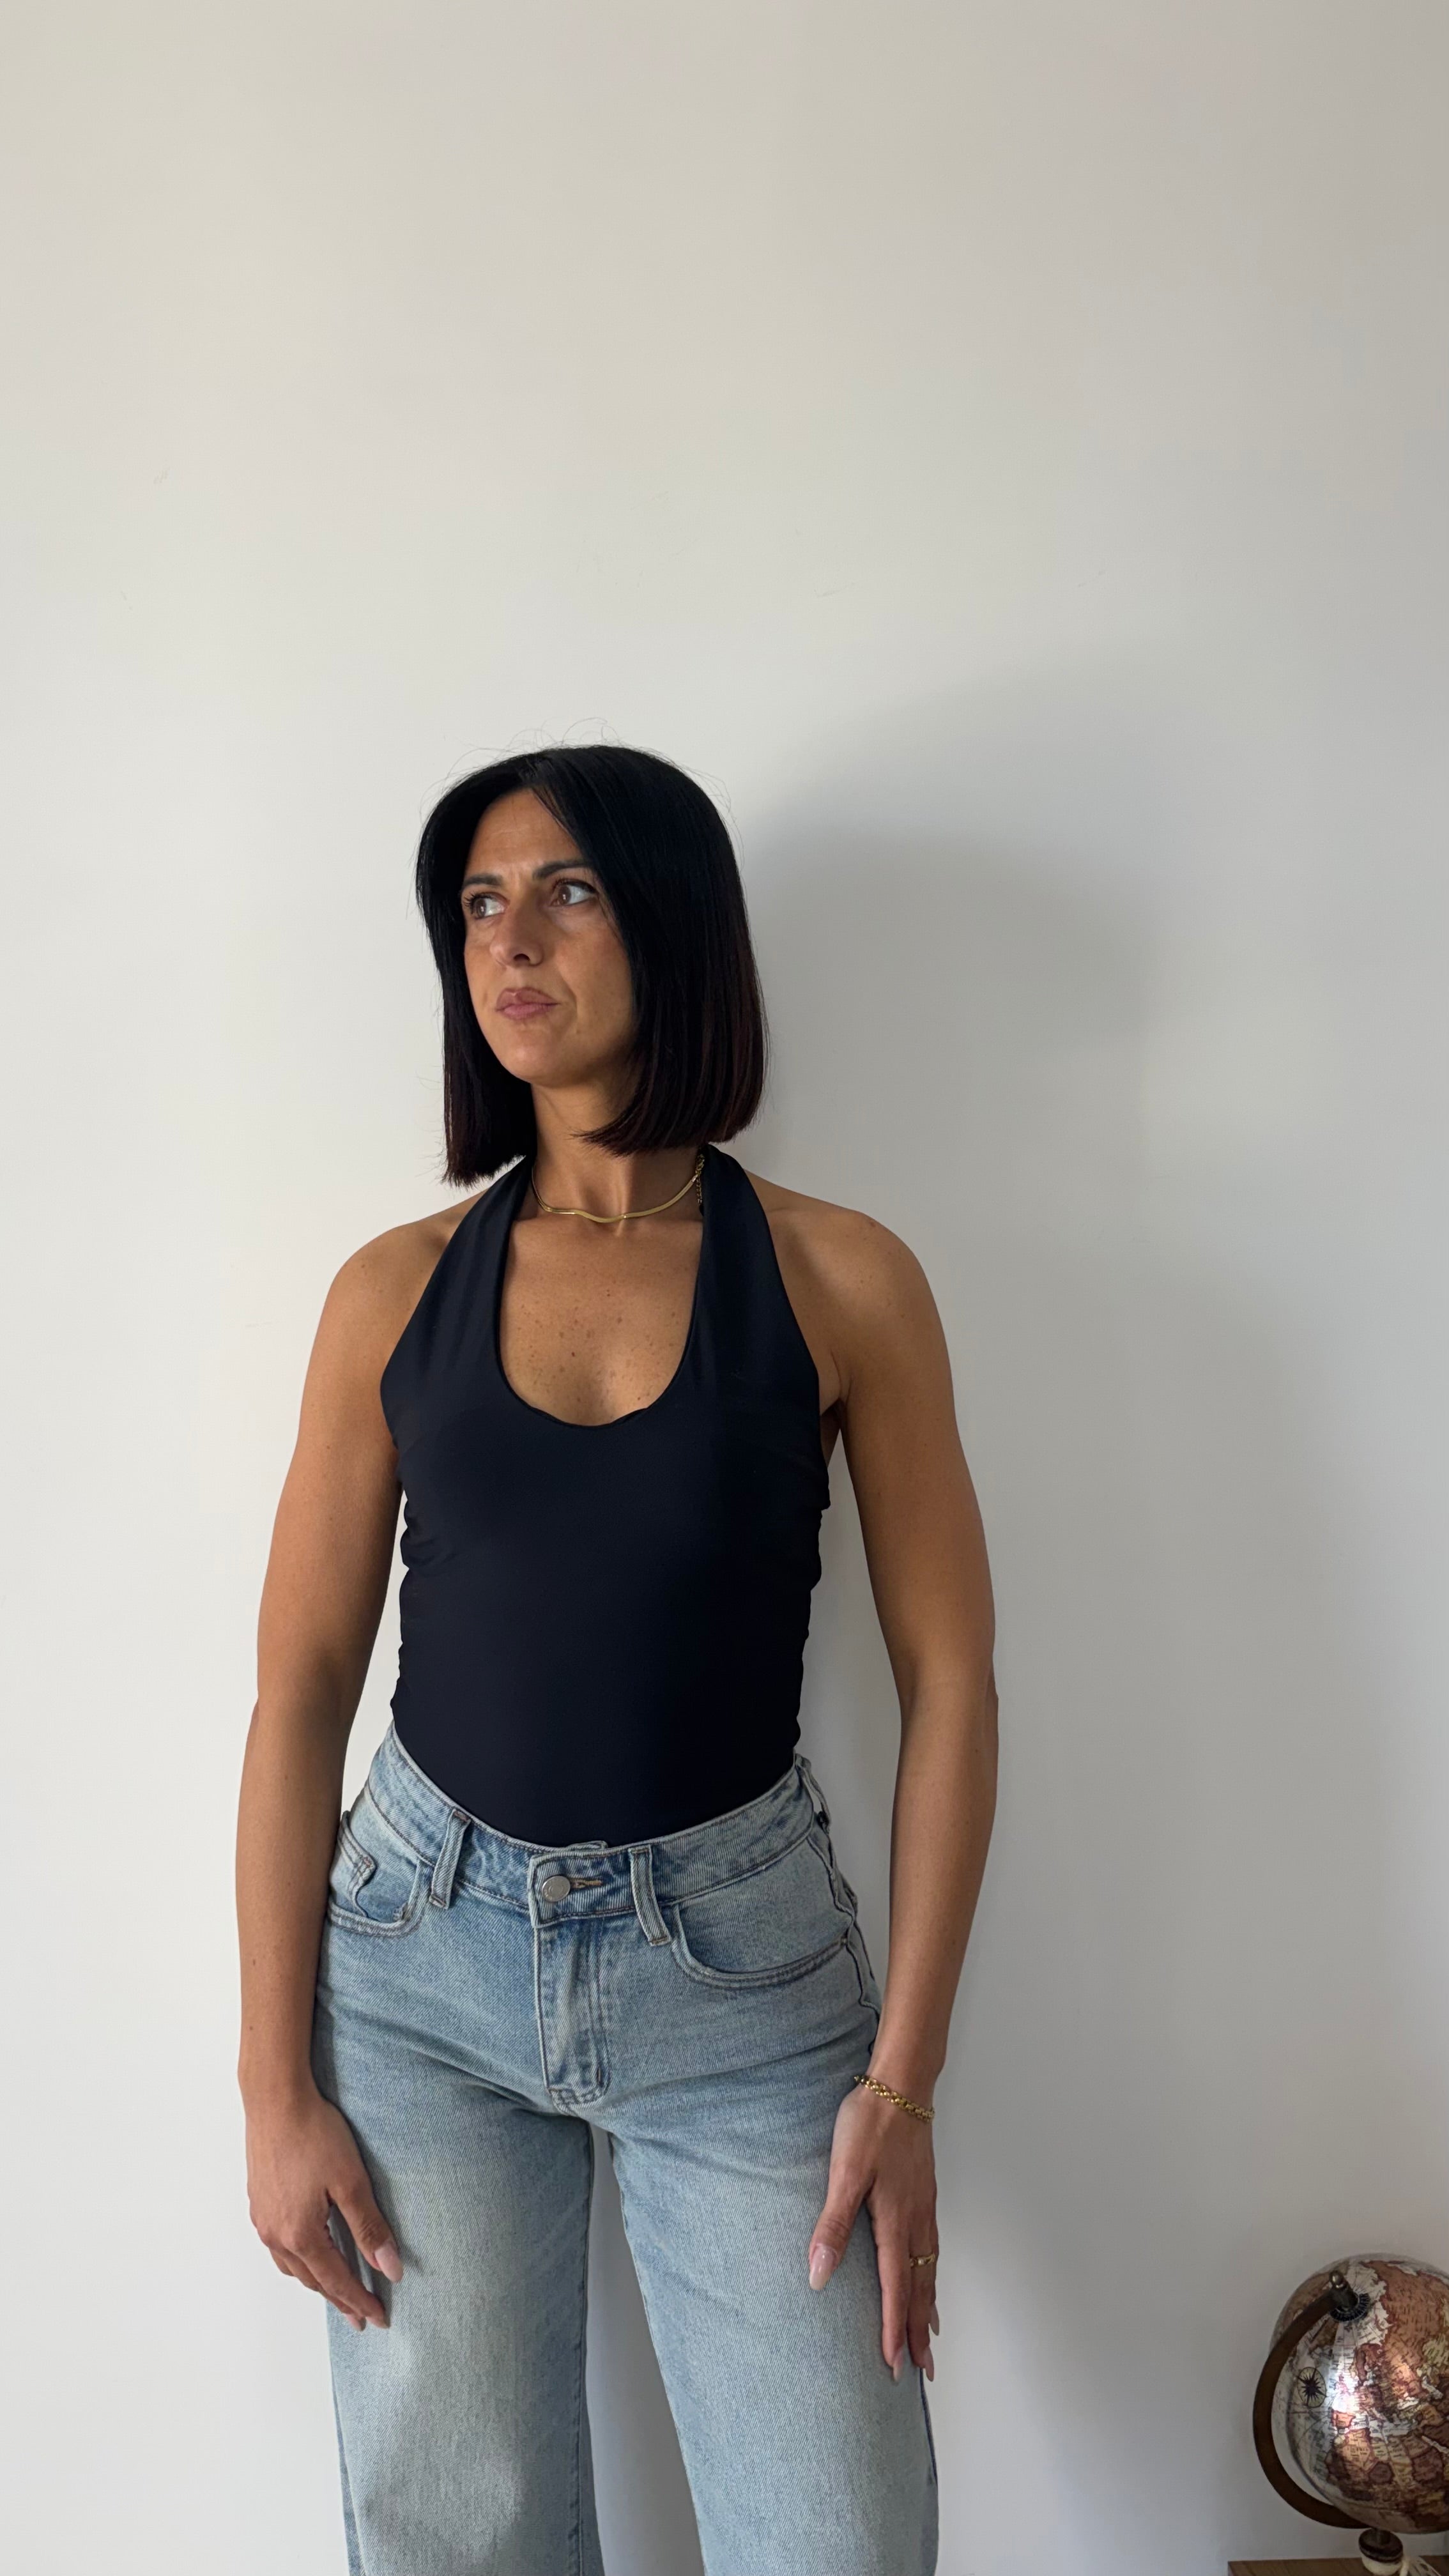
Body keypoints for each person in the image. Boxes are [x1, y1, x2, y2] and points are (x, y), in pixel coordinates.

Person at [236, 742, 998, 2576]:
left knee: (836, 2541)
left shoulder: (842, 1277)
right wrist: (273, 2089)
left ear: (672, 923)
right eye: (479, 905)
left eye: (565, 891)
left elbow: (954, 1682)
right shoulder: (392, 1290)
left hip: (741, 1984)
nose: (510, 941)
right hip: (418, 1972)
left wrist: (903, 2082)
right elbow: (301, 1691)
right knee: (460, 2541)